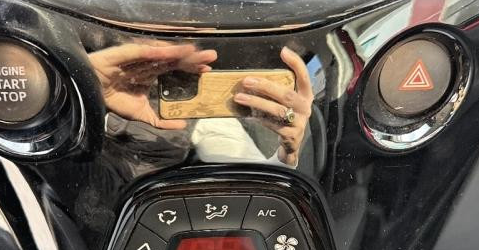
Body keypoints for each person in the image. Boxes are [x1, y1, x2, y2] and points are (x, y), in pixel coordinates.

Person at [88, 41, 313, 168]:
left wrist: (286, 157)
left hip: (206, 111)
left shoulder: (214, 118)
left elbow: (246, 182)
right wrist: (87, 88)